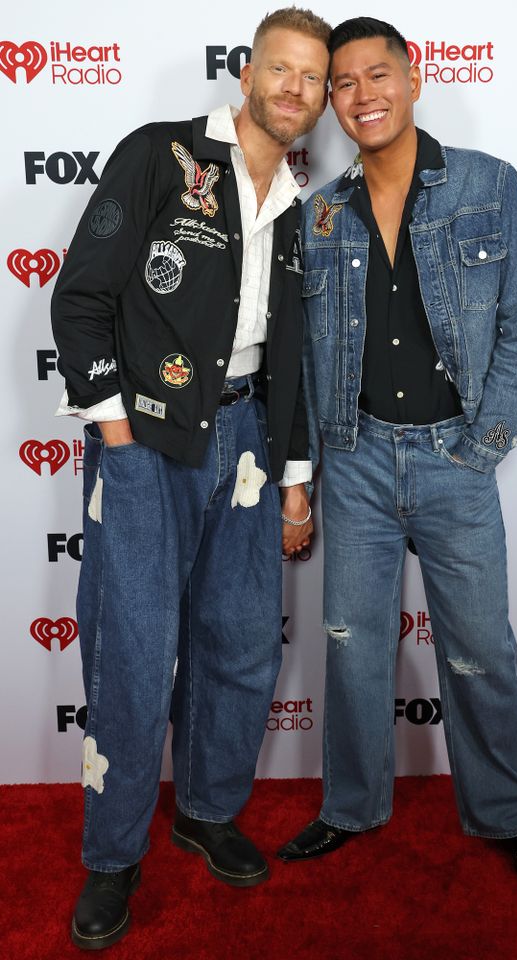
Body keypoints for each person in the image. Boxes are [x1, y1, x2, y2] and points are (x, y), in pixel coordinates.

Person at [51, 8, 330, 949]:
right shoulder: (161, 154)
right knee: (133, 653)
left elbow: (291, 354)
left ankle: (208, 809)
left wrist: (295, 477)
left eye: (314, 80)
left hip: (251, 436)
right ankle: (112, 855)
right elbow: (81, 297)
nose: (297, 91)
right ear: (250, 71)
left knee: (242, 642)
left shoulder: (300, 203)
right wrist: (117, 437)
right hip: (150, 443)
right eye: (283, 70)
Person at [277, 17, 517, 899]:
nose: (361, 96)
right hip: (356, 462)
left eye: (377, 76)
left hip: (454, 462)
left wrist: (482, 448)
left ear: (413, 78)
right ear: (332, 103)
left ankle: (510, 817)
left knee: (481, 650)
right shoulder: (319, 211)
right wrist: (307, 482)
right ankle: (351, 806)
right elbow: (304, 358)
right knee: (353, 647)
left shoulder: (488, 185)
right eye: (344, 85)